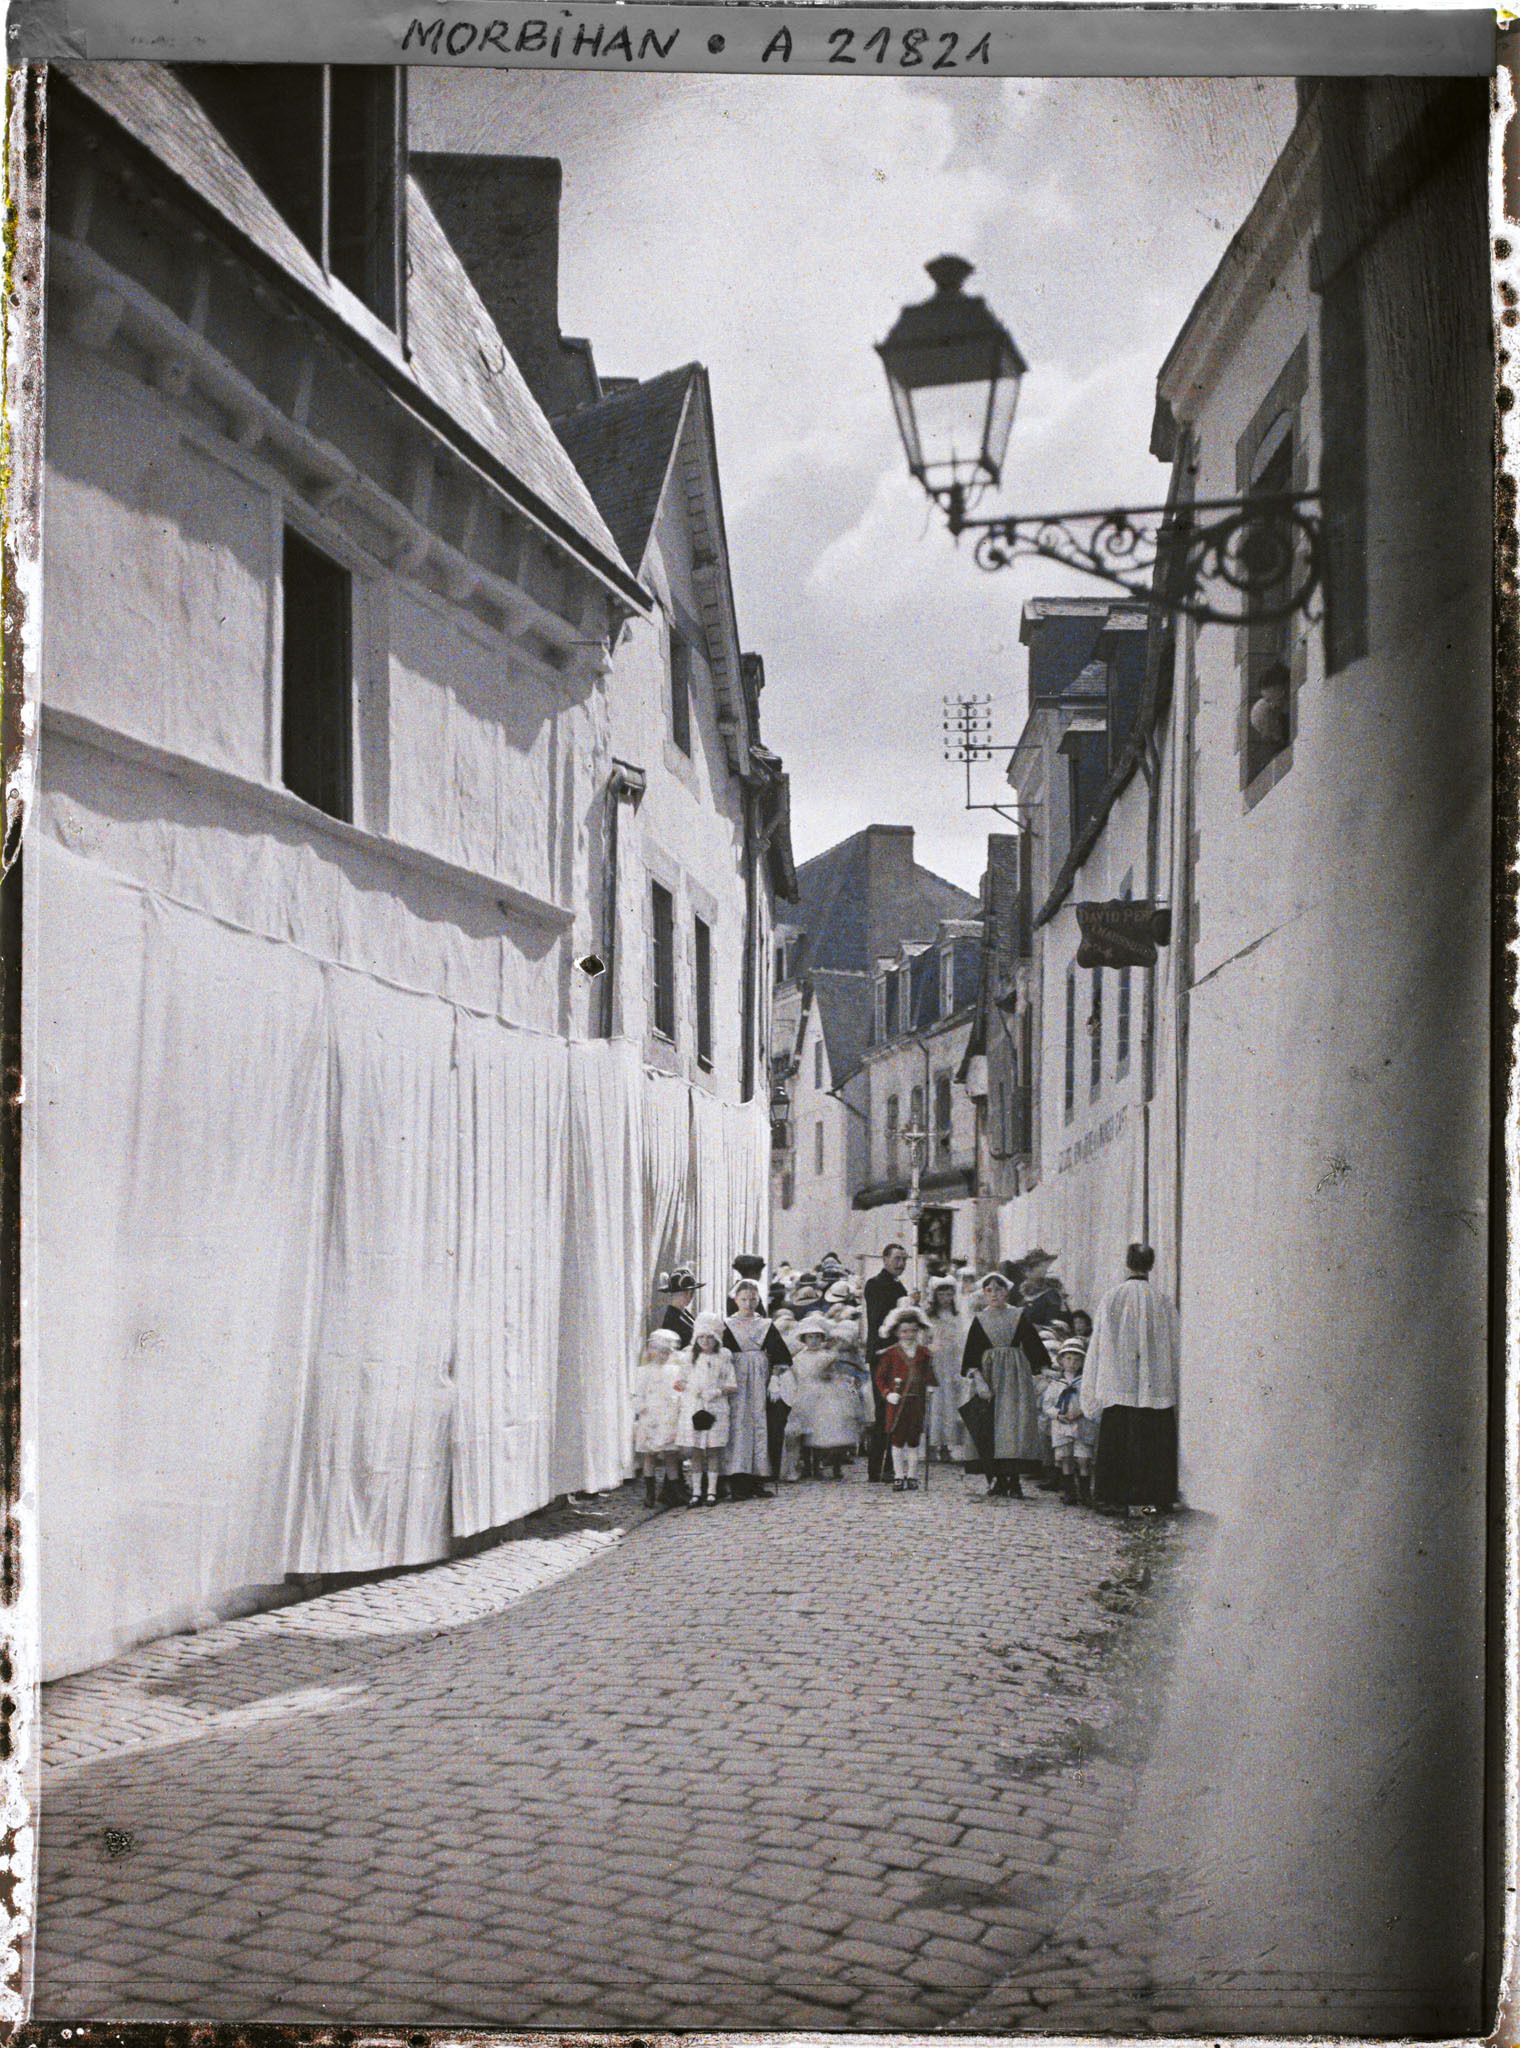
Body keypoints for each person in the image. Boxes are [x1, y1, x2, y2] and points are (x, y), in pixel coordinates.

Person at [1082, 1243, 1180, 1514]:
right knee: (1153, 1439)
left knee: (1118, 1437)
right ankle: (1155, 1497)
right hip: (1154, 1384)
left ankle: (1114, 1497)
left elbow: (1098, 1343)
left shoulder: (1112, 1298)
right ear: (1151, 1265)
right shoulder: (1161, 1300)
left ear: (1127, 1263)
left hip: (1119, 1381)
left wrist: (1093, 1387)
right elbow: (1175, 1344)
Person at [960, 1270, 1051, 1498]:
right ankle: (997, 1479)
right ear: (984, 1293)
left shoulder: (1018, 1316)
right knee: (991, 1426)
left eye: (999, 1290)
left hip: (1014, 1378)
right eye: (989, 1290)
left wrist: (1043, 1368)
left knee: (1013, 1426)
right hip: (989, 1377)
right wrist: (979, 1380)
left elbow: (1032, 1344)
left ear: (1007, 1292)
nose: (994, 1294)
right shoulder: (980, 1319)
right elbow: (971, 1354)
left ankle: (1014, 1479)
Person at [722, 1279, 792, 1500]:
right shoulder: (727, 1325)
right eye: (744, 1299)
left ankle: (758, 1479)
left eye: (753, 1298)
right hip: (736, 1379)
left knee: (760, 1426)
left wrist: (775, 1380)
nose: (749, 1303)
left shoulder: (765, 1325)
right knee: (738, 1426)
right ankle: (736, 1480)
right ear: (736, 1300)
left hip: (761, 1379)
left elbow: (781, 1356)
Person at [875, 1303, 939, 1492]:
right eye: (904, 1331)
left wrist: (930, 1385)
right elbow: (880, 1377)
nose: (909, 1335)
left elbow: (928, 1372)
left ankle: (912, 1475)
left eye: (912, 1331)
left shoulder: (923, 1353)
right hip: (897, 1402)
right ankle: (898, 1475)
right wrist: (888, 1394)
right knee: (896, 1440)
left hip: (917, 1401)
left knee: (913, 1440)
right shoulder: (890, 1354)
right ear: (896, 1332)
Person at [676, 1312, 738, 1507]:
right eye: (701, 1337)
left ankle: (711, 1491)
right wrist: (691, 1389)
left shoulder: (723, 1357)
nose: (705, 1341)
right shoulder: (689, 1358)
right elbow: (679, 1382)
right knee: (696, 1451)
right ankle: (696, 1492)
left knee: (713, 1450)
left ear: (716, 1339)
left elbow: (732, 1384)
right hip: (694, 1407)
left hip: (716, 1408)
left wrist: (717, 1391)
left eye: (709, 1337)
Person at [863, 1243, 909, 1482]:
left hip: (898, 1354)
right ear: (885, 1259)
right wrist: (903, 1308)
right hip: (882, 1353)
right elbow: (879, 1320)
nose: (901, 1264)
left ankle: (891, 1465)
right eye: (897, 1259)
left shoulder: (899, 1287)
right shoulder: (875, 1285)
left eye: (904, 1259)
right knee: (883, 1409)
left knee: (897, 1408)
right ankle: (875, 1468)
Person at [632, 1328, 686, 1507]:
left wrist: (679, 1401)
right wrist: (641, 1407)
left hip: (668, 1416)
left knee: (671, 1454)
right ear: (651, 1350)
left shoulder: (674, 1371)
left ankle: (676, 1490)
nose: (662, 1355)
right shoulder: (643, 1372)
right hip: (650, 1417)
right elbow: (637, 1394)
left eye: (666, 1352)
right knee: (650, 1455)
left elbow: (679, 1390)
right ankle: (650, 1493)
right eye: (659, 1351)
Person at [924, 1277, 972, 1463]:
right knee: (934, 1403)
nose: (945, 1297)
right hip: (934, 1362)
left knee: (949, 1405)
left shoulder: (957, 1316)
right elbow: (924, 1338)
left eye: (949, 1294)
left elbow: (962, 1339)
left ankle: (946, 1445)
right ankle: (931, 1445)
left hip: (951, 1363)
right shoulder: (929, 1316)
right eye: (941, 1294)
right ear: (935, 1295)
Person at [1048, 1335, 1097, 1505]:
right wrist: (1057, 1414)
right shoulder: (1056, 1383)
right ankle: (1069, 1491)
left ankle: (1085, 1492)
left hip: (1082, 1424)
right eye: (1068, 1358)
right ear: (1061, 1361)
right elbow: (1047, 1404)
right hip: (1062, 1425)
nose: (1072, 1363)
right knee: (1066, 1457)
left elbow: (1092, 1400)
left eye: (1077, 1359)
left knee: (1083, 1459)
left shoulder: (1086, 1382)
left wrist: (1081, 1412)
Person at [1018, 1249, 1067, 1328]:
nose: (1045, 1269)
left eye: (1042, 1266)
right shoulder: (1024, 1294)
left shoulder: (1051, 1294)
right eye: (1040, 1266)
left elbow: (1055, 1322)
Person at [658, 1266, 699, 1348]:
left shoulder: (683, 1312)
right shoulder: (672, 1319)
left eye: (691, 1293)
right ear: (672, 1294)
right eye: (686, 1293)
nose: (690, 1296)